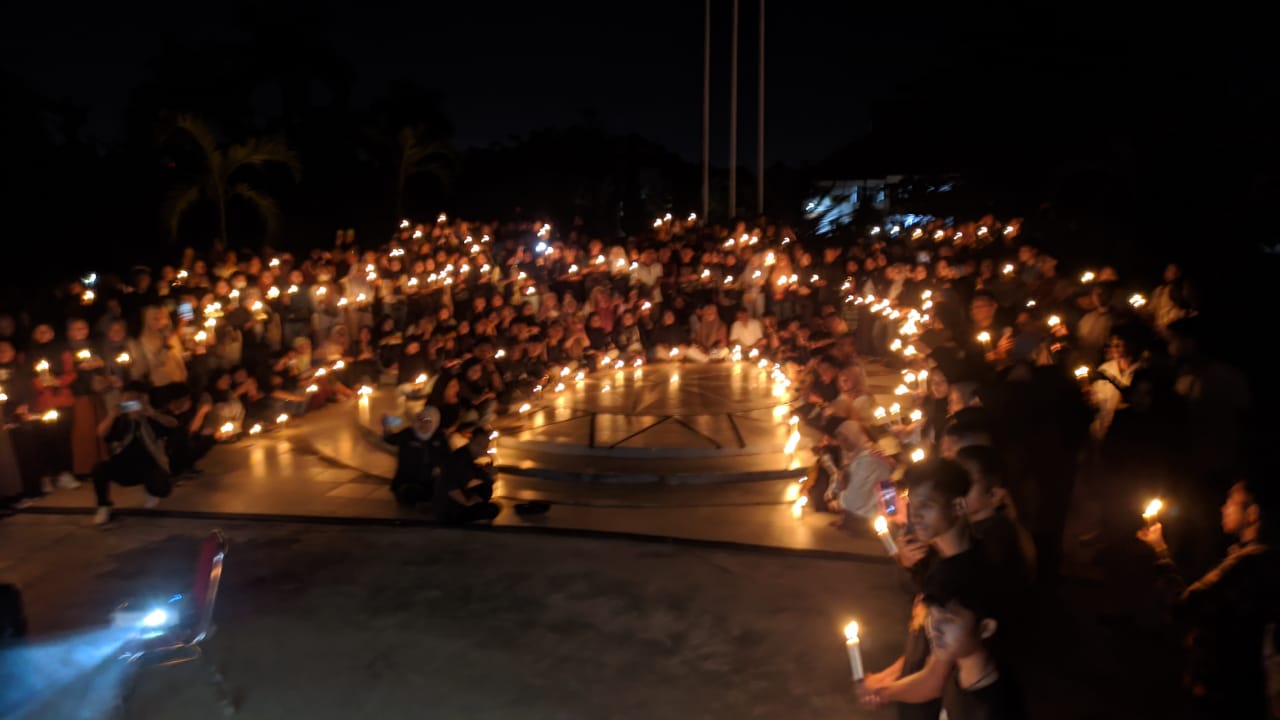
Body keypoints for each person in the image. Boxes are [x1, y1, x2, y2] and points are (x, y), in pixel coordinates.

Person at [1138, 479, 1280, 718]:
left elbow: (1183, 608)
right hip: (1243, 689)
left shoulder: (1245, 563)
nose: (1223, 508)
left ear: (1252, 514)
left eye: (1231, 501)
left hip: (1223, 695)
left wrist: (1159, 552)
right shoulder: (1263, 559)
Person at [922, 556, 1030, 719]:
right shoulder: (960, 676)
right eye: (930, 614)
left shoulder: (996, 709)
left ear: (986, 628)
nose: (933, 628)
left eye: (947, 619)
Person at [92, 382, 178, 525]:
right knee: (99, 468)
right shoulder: (120, 418)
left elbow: (173, 424)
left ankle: (150, 490)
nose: (134, 405)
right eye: (130, 400)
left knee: (163, 489)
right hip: (123, 467)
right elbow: (101, 432)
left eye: (138, 400)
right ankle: (104, 505)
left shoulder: (150, 416)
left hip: (148, 465)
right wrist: (112, 416)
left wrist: (152, 414)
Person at [383, 406, 448, 506]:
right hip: (408, 479)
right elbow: (390, 439)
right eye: (421, 420)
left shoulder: (439, 437)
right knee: (410, 495)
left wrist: (440, 467)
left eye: (428, 421)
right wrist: (386, 426)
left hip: (429, 479)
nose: (424, 424)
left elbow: (447, 456)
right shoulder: (408, 434)